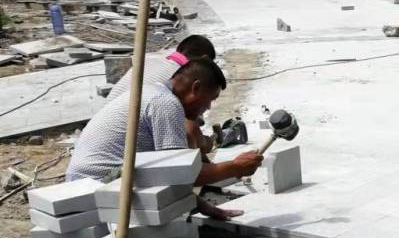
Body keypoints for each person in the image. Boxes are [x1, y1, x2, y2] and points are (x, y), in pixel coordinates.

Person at [67, 58, 262, 189]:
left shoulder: (153, 91)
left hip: (81, 181)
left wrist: (204, 208)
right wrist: (236, 167)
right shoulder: (166, 103)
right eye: (210, 98)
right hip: (96, 186)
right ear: (195, 88)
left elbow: (173, 169)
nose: (208, 107)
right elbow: (180, 174)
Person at [107, 34, 217, 104]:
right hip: (126, 135)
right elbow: (190, 127)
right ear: (204, 61)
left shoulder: (150, 62)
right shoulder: (181, 79)